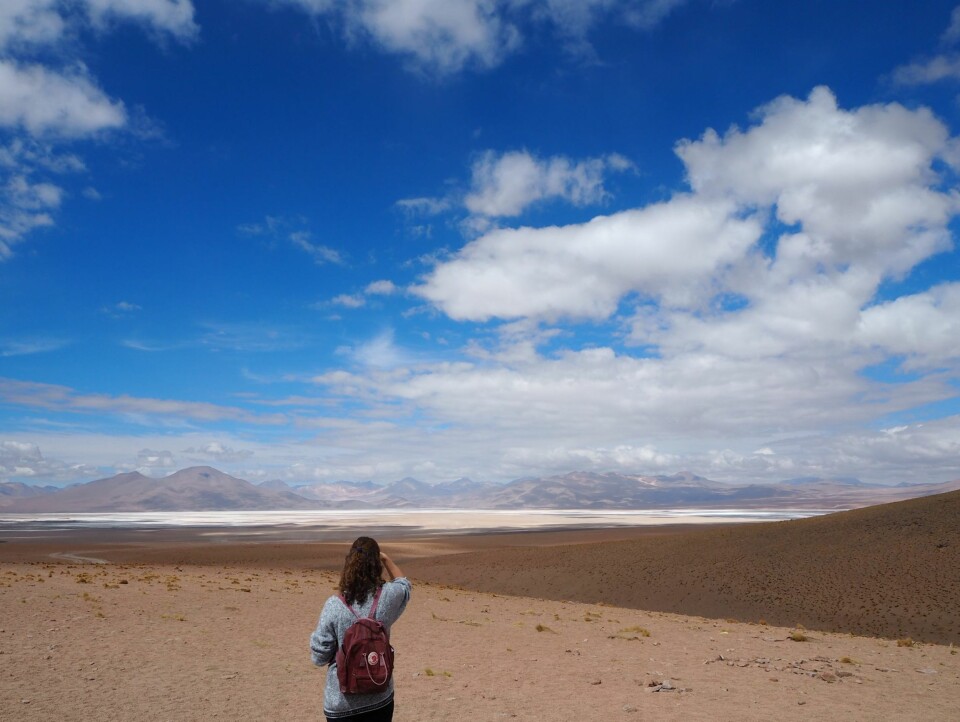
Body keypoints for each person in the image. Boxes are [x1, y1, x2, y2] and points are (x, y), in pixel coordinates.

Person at [311, 537, 411, 721]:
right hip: (380, 696)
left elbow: (318, 657)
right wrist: (386, 558)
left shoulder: (334, 605)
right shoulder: (387, 597)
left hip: (341, 703)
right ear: (376, 565)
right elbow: (404, 584)